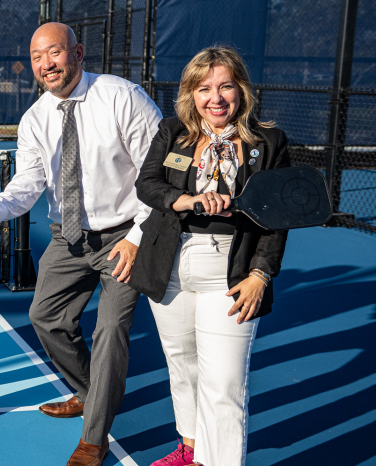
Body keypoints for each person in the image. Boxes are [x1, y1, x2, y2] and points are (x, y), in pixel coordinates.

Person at [0, 22, 162, 466]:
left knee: (109, 330)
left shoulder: (122, 97)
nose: (45, 64)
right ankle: (91, 395)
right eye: (36, 57)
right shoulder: (36, 118)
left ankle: (94, 439)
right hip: (67, 238)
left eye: (54, 53)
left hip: (125, 236)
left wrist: (136, 238)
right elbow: (29, 181)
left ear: (77, 52)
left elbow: (158, 175)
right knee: (45, 316)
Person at [129, 46, 290, 466]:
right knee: (183, 367)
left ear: (242, 90)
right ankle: (191, 450)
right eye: (204, 88)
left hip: (232, 271)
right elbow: (147, 185)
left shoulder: (269, 142)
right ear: (191, 94)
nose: (215, 98)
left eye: (225, 87)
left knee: (224, 382)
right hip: (171, 265)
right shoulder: (172, 132)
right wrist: (184, 200)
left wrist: (261, 274)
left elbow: (279, 217)